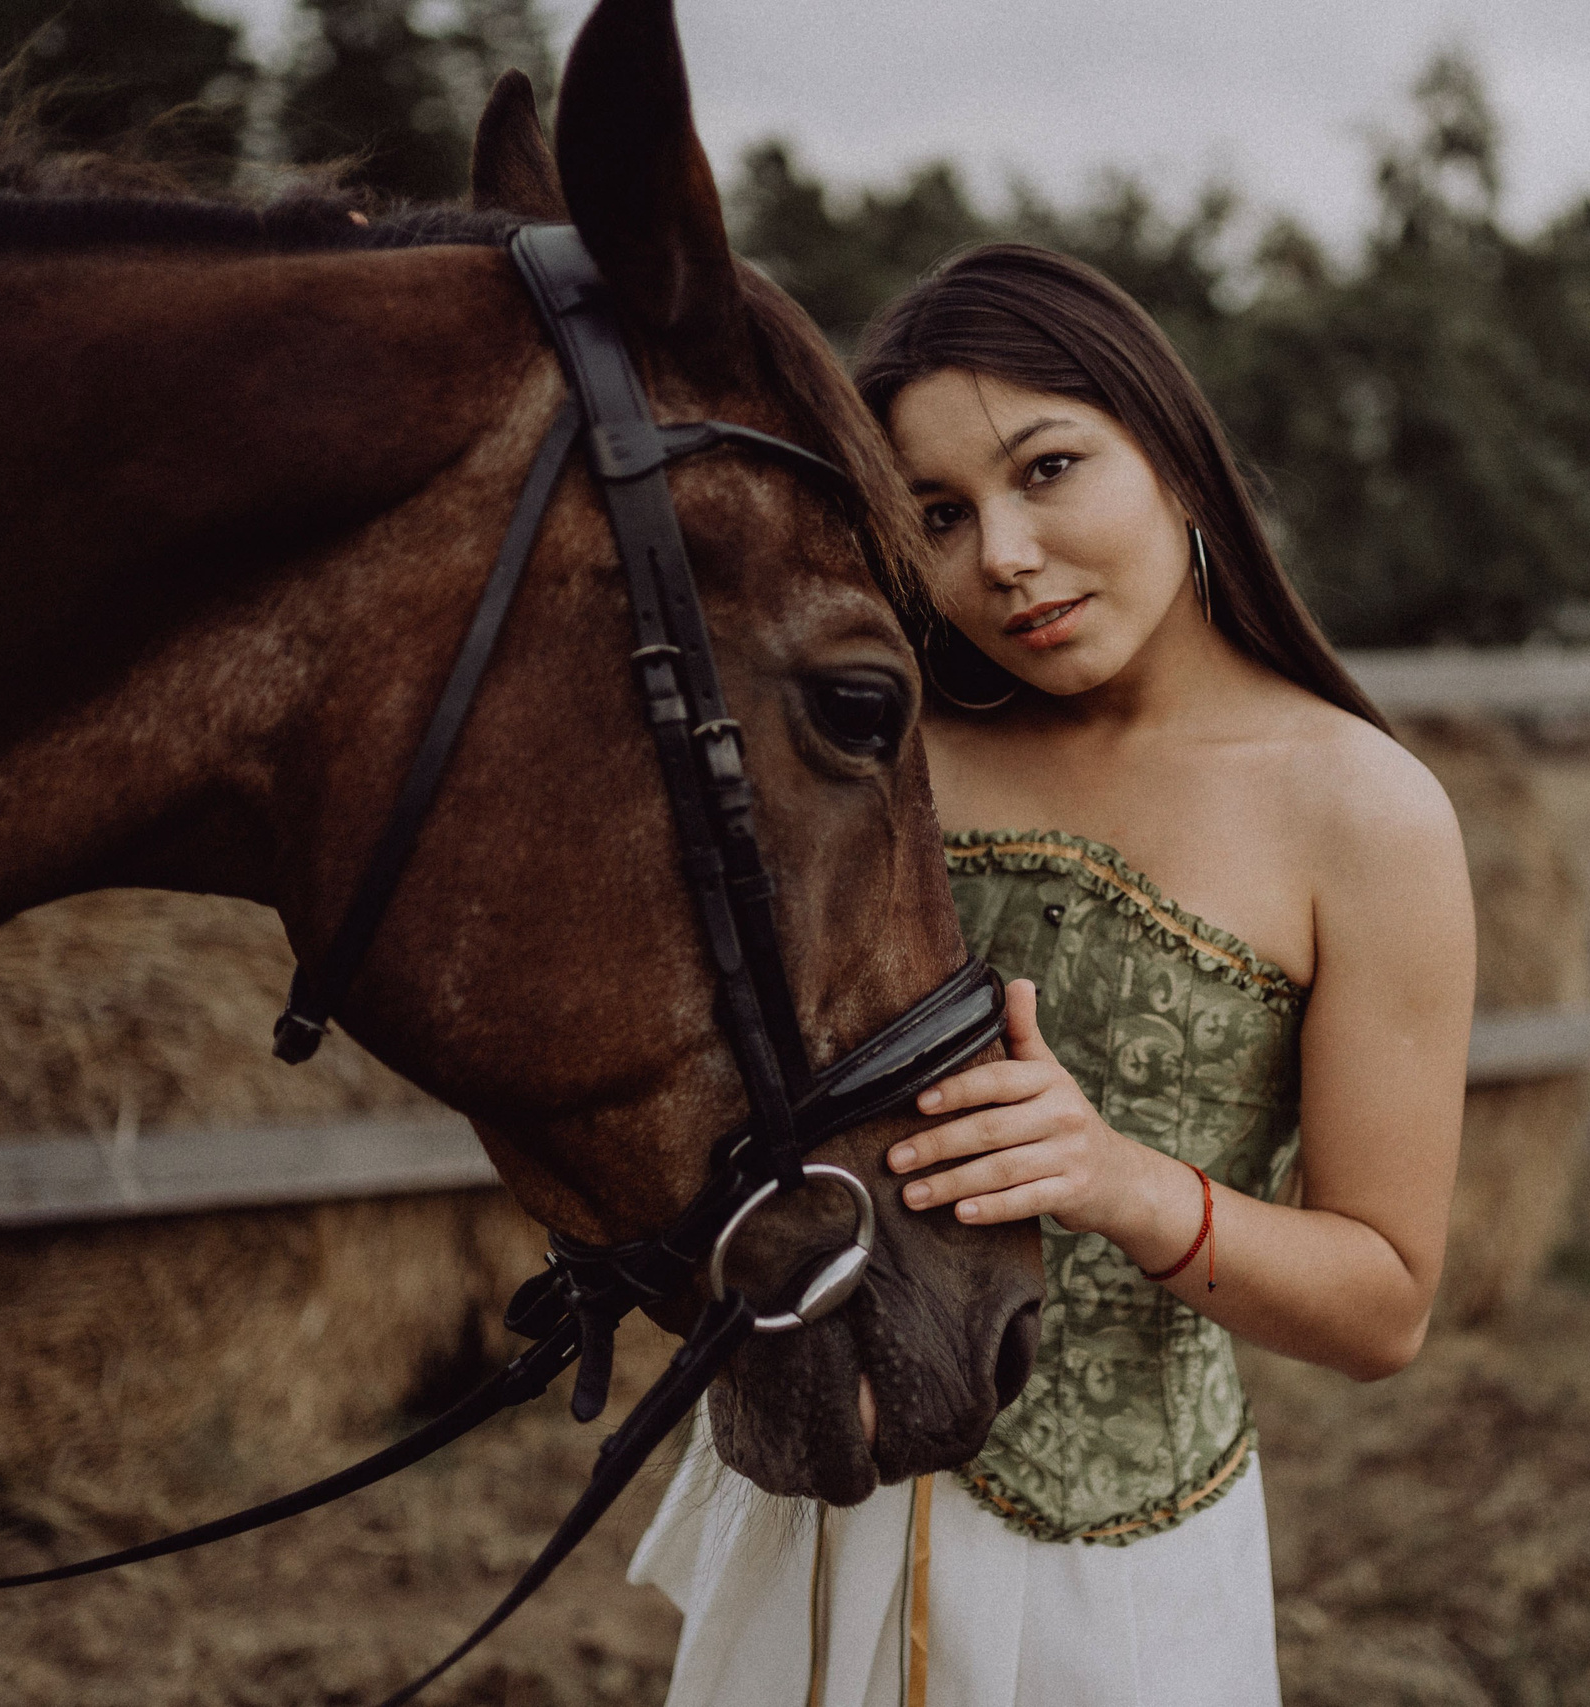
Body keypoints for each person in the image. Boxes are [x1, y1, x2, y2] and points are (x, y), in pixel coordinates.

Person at [629, 243, 1474, 1706]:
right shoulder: (885, 756)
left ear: (1176, 453)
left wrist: (1121, 1183)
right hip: (817, 1509)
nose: (1003, 556)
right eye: (939, 516)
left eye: (1049, 470)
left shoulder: (1364, 812)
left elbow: (1384, 1304)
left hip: (1108, 1584)